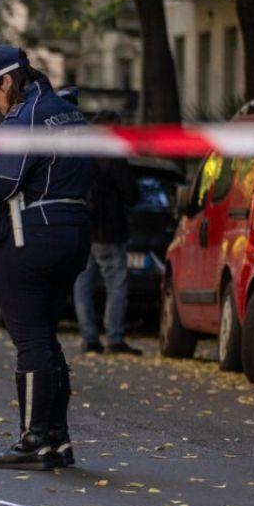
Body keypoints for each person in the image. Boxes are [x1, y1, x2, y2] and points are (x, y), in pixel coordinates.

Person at [0, 45, 93, 471]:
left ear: (7, 81)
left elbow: (2, 181)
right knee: (46, 338)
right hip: (73, 234)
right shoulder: (68, 111)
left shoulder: (24, 116)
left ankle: (33, 440)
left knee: (30, 340)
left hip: (30, 236)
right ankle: (57, 440)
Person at [72, 111, 142, 355]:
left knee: (83, 284)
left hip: (83, 229)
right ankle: (114, 337)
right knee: (116, 285)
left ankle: (89, 337)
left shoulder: (80, 154)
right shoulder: (112, 155)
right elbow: (131, 193)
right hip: (109, 231)